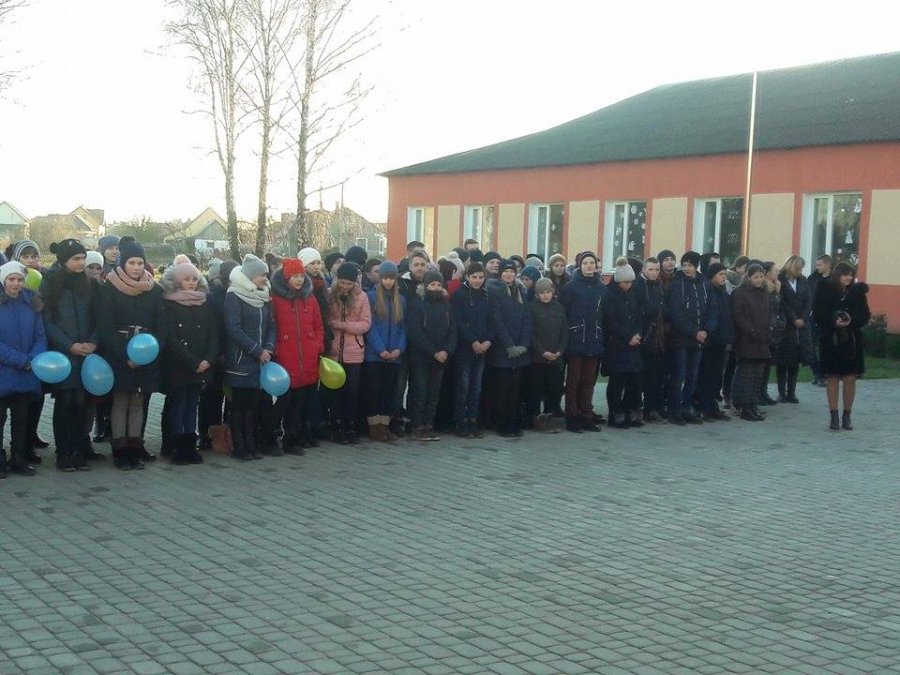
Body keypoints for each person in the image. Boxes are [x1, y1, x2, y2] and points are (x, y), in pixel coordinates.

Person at [95, 237, 167, 469]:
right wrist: (125, 355)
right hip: (119, 354)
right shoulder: (109, 289)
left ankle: (135, 447)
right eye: (131, 263)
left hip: (146, 353)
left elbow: (162, 325)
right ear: (123, 263)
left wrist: (150, 350)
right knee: (120, 401)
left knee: (138, 400)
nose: (136, 267)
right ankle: (120, 449)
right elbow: (105, 326)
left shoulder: (154, 289)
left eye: (140, 263)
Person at [41, 239, 101, 471]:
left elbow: (99, 318)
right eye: (76, 259)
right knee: (66, 402)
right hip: (63, 355)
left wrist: (93, 342)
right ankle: (64, 453)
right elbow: (47, 321)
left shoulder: (91, 284)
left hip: (87, 353)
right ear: (64, 260)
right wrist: (69, 345)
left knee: (82, 403)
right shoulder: (51, 283)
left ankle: (78, 451)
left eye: (83, 258)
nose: (81, 263)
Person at [160, 261, 218, 464]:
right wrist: (193, 362)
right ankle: (177, 445)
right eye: (186, 279)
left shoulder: (204, 302)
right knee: (178, 404)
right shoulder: (169, 303)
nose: (192, 283)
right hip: (179, 365)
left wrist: (208, 359)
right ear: (177, 282)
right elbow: (170, 338)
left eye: (195, 279)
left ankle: (190, 445)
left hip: (202, 364)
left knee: (192, 404)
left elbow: (213, 333)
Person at [271, 258, 324, 454]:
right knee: (285, 400)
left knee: (300, 400)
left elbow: (318, 325)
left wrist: (317, 344)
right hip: (285, 356)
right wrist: (276, 348)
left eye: (301, 276)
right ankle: (276, 435)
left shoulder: (309, 298)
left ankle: (294, 437)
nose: (300, 280)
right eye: (295, 276)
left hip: (307, 356)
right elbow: (271, 325)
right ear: (286, 277)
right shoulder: (276, 299)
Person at [224, 254, 275, 460]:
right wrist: (257, 350)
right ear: (250, 276)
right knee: (239, 406)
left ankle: (251, 444)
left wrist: (268, 347)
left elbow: (271, 326)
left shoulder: (264, 297)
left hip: (260, 361)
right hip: (240, 361)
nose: (265, 278)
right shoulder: (234, 296)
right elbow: (233, 329)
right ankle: (239, 446)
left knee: (253, 405)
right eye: (262, 275)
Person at [0, 261, 47, 477]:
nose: (16, 284)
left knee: (21, 420)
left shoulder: (32, 302)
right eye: (11, 279)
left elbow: (40, 335)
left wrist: (34, 358)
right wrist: (22, 360)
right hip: (5, 371)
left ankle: (18, 458)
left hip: (26, 372)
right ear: (3, 280)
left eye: (19, 279)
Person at [812, 261, 870, 431]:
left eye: (851, 275)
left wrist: (851, 319)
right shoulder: (824, 288)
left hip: (851, 340)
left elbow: (865, 315)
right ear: (837, 275)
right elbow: (817, 313)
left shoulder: (857, 292)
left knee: (850, 378)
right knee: (833, 377)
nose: (848, 278)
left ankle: (847, 415)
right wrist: (833, 319)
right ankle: (834, 416)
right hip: (831, 339)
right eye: (845, 274)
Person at [406, 270, 456, 441]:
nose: (435, 288)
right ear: (425, 286)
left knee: (434, 394)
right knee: (420, 392)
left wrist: (446, 350)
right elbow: (415, 332)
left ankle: (429, 424)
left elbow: (453, 331)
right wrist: (433, 352)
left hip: (441, 357)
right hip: (422, 357)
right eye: (432, 284)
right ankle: (417, 425)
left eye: (438, 285)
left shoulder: (446, 305)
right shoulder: (417, 303)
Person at [665, 251, 714, 425]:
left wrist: (706, 330)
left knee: (692, 375)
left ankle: (687, 407)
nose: (687, 269)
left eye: (690, 265)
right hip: (681, 338)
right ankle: (675, 409)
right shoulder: (676, 285)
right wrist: (694, 332)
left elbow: (712, 309)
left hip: (699, 339)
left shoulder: (705, 284)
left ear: (696, 266)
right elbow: (676, 313)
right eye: (685, 265)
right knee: (679, 374)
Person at [559, 251, 606, 433]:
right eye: (585, 263)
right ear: (580, 265)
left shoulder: (601, 288)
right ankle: (572, 416)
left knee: (588, 380)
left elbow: (604, 315)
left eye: (591, 263)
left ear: (596, 265)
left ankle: (586, 415)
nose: (589, 266)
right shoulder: (570, 288)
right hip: (576, 339)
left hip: (594, 339)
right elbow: (564, 315)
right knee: (573, 380)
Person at [326, 262, 371, 444]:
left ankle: (351, 425)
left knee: (352, 392)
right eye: (342, 282)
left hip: (354, 351)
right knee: (334, 393)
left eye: (349, 283)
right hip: (333, 351)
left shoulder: (362, 297)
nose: (345, 286)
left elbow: (365, 324)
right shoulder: (329, 295)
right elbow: (325, 320)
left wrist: (342, 325)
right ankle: (336, 426)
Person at [486, 260, 532, 437]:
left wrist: (524, 344)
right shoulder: (495, 292)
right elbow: (497, 321)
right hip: (502, 350)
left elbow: (527, 318)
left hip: (519, 350)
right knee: (502, 389)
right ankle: (502, 424)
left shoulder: (520, 291)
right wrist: (509, 345)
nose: (508, 274)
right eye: (505, 271)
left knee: (515, 390)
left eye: (511, 271)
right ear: (500, 274)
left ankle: (512, 422)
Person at [364, 261, 406, 442]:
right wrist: (381, 349)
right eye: (385, 278)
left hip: (394, 355)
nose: (388, 281)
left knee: (389, 391)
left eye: (391, 278)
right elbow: (370, 327)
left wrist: (399, 349)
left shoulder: (401, 300)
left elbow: (403, 328)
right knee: (373, 391)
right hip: (374, 355)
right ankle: (374, 427)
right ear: (380, 278)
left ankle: (384, 425)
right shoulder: (371, 297)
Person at [451, 262, 493, 438]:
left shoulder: (486, 295)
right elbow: (457, 322)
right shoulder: (459, 295)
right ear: (467, 277)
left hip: (482, 348)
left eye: (480, 277)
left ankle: (472, 419)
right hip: (465, 348)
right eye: (474, 277)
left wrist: (488, 341)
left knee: (476, 387)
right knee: (463, 385)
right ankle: (460, 421)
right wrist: (473, 341)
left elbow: (492, 320)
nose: (477, 280)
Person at [603, 259, 644, 428]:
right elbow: (611, 321)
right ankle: (615, 413)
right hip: (617, 344)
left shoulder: (634, 293)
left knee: (634, 380)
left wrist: (638, 334)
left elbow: (639, 316)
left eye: (630, 282)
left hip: (634, 344)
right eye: (625, 282)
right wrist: (628, 337)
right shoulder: (610, 295)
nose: (629, 285)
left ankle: (629, 409)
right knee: (617, 381)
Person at [730, 263, 771, 421]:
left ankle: (753, 404)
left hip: (762, 339)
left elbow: (767, 314)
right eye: (756, 277)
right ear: (748, 277)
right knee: (746, 374)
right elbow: (738, 315)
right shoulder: (740, 292)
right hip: (746, 339)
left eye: (761, 277)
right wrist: (752, 330)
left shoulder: (764, 293)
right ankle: (744, 406)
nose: (759, 280)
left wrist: (767, 330)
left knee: (758, 374)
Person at [525, 277, 567, 430]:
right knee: (535, 390)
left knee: (553, 389)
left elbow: (564, 332)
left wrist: (560, 351)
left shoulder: (559, 308)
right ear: (537, 294)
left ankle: (550, 417)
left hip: (555, 357)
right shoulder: (532, 308)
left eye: (548, 292)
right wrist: (542, 352)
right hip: (538, 358)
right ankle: (535, 418)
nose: (545, 295)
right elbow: (530, 334)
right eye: (542, 293)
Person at [696, 263, 734, 421]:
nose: (723, 277)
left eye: (725, 274)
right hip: (709, 340)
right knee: (706, 374)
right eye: (720, 274)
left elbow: (727, 316)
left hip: (721, 340)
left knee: (717, 375)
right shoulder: (707, 291)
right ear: (712, 276)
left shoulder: (724, 294)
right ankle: (703, 407)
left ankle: (713, 405)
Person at [776, 255, 811, 403]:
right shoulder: (780, 279)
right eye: (799, 268)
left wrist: (803, 317)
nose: (801, 270)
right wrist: (793, 318)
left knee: (795, 360)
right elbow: (781, 302)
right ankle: (781, 392)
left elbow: (808, 300)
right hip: (785, 324)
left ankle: (791, 392)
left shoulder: (803, 280)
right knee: (783, 359)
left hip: (800, 324)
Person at [635, 257, 666, 423]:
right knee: (638, 376)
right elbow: (640, 310)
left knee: (654, 376)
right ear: (644, 270)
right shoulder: (638, 285)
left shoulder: (659, 285)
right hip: (642, 336)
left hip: (656, 337)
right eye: (651, 269)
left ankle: (650, 408)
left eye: (656, 269)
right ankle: (636, 407)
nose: (654, 273)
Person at [807, 254, 833, 387]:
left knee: (825, 348)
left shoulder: (834, 280)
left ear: (828, 265)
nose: (817, 267)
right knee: (810, 347)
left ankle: (823, 374)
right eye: (816, 265)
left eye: (820, 265)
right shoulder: (813, 278)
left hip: (827, 319)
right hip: (812, 317)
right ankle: (817, 373)